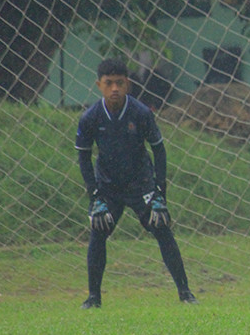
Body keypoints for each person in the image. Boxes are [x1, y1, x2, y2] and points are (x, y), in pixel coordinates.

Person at [75, 59, 196, 309]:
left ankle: (185, 293)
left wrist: (160, 193)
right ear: (99, 85)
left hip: (141, 185)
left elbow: (158, 151)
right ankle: (93, 297)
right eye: (109, 83)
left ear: (128, 84)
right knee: (98, 233)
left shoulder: (141, 113)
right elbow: (84, 157)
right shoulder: (90, 117)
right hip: (108, 187)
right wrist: (94, 196)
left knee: (162, 228)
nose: (115, 88)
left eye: (120, 83)